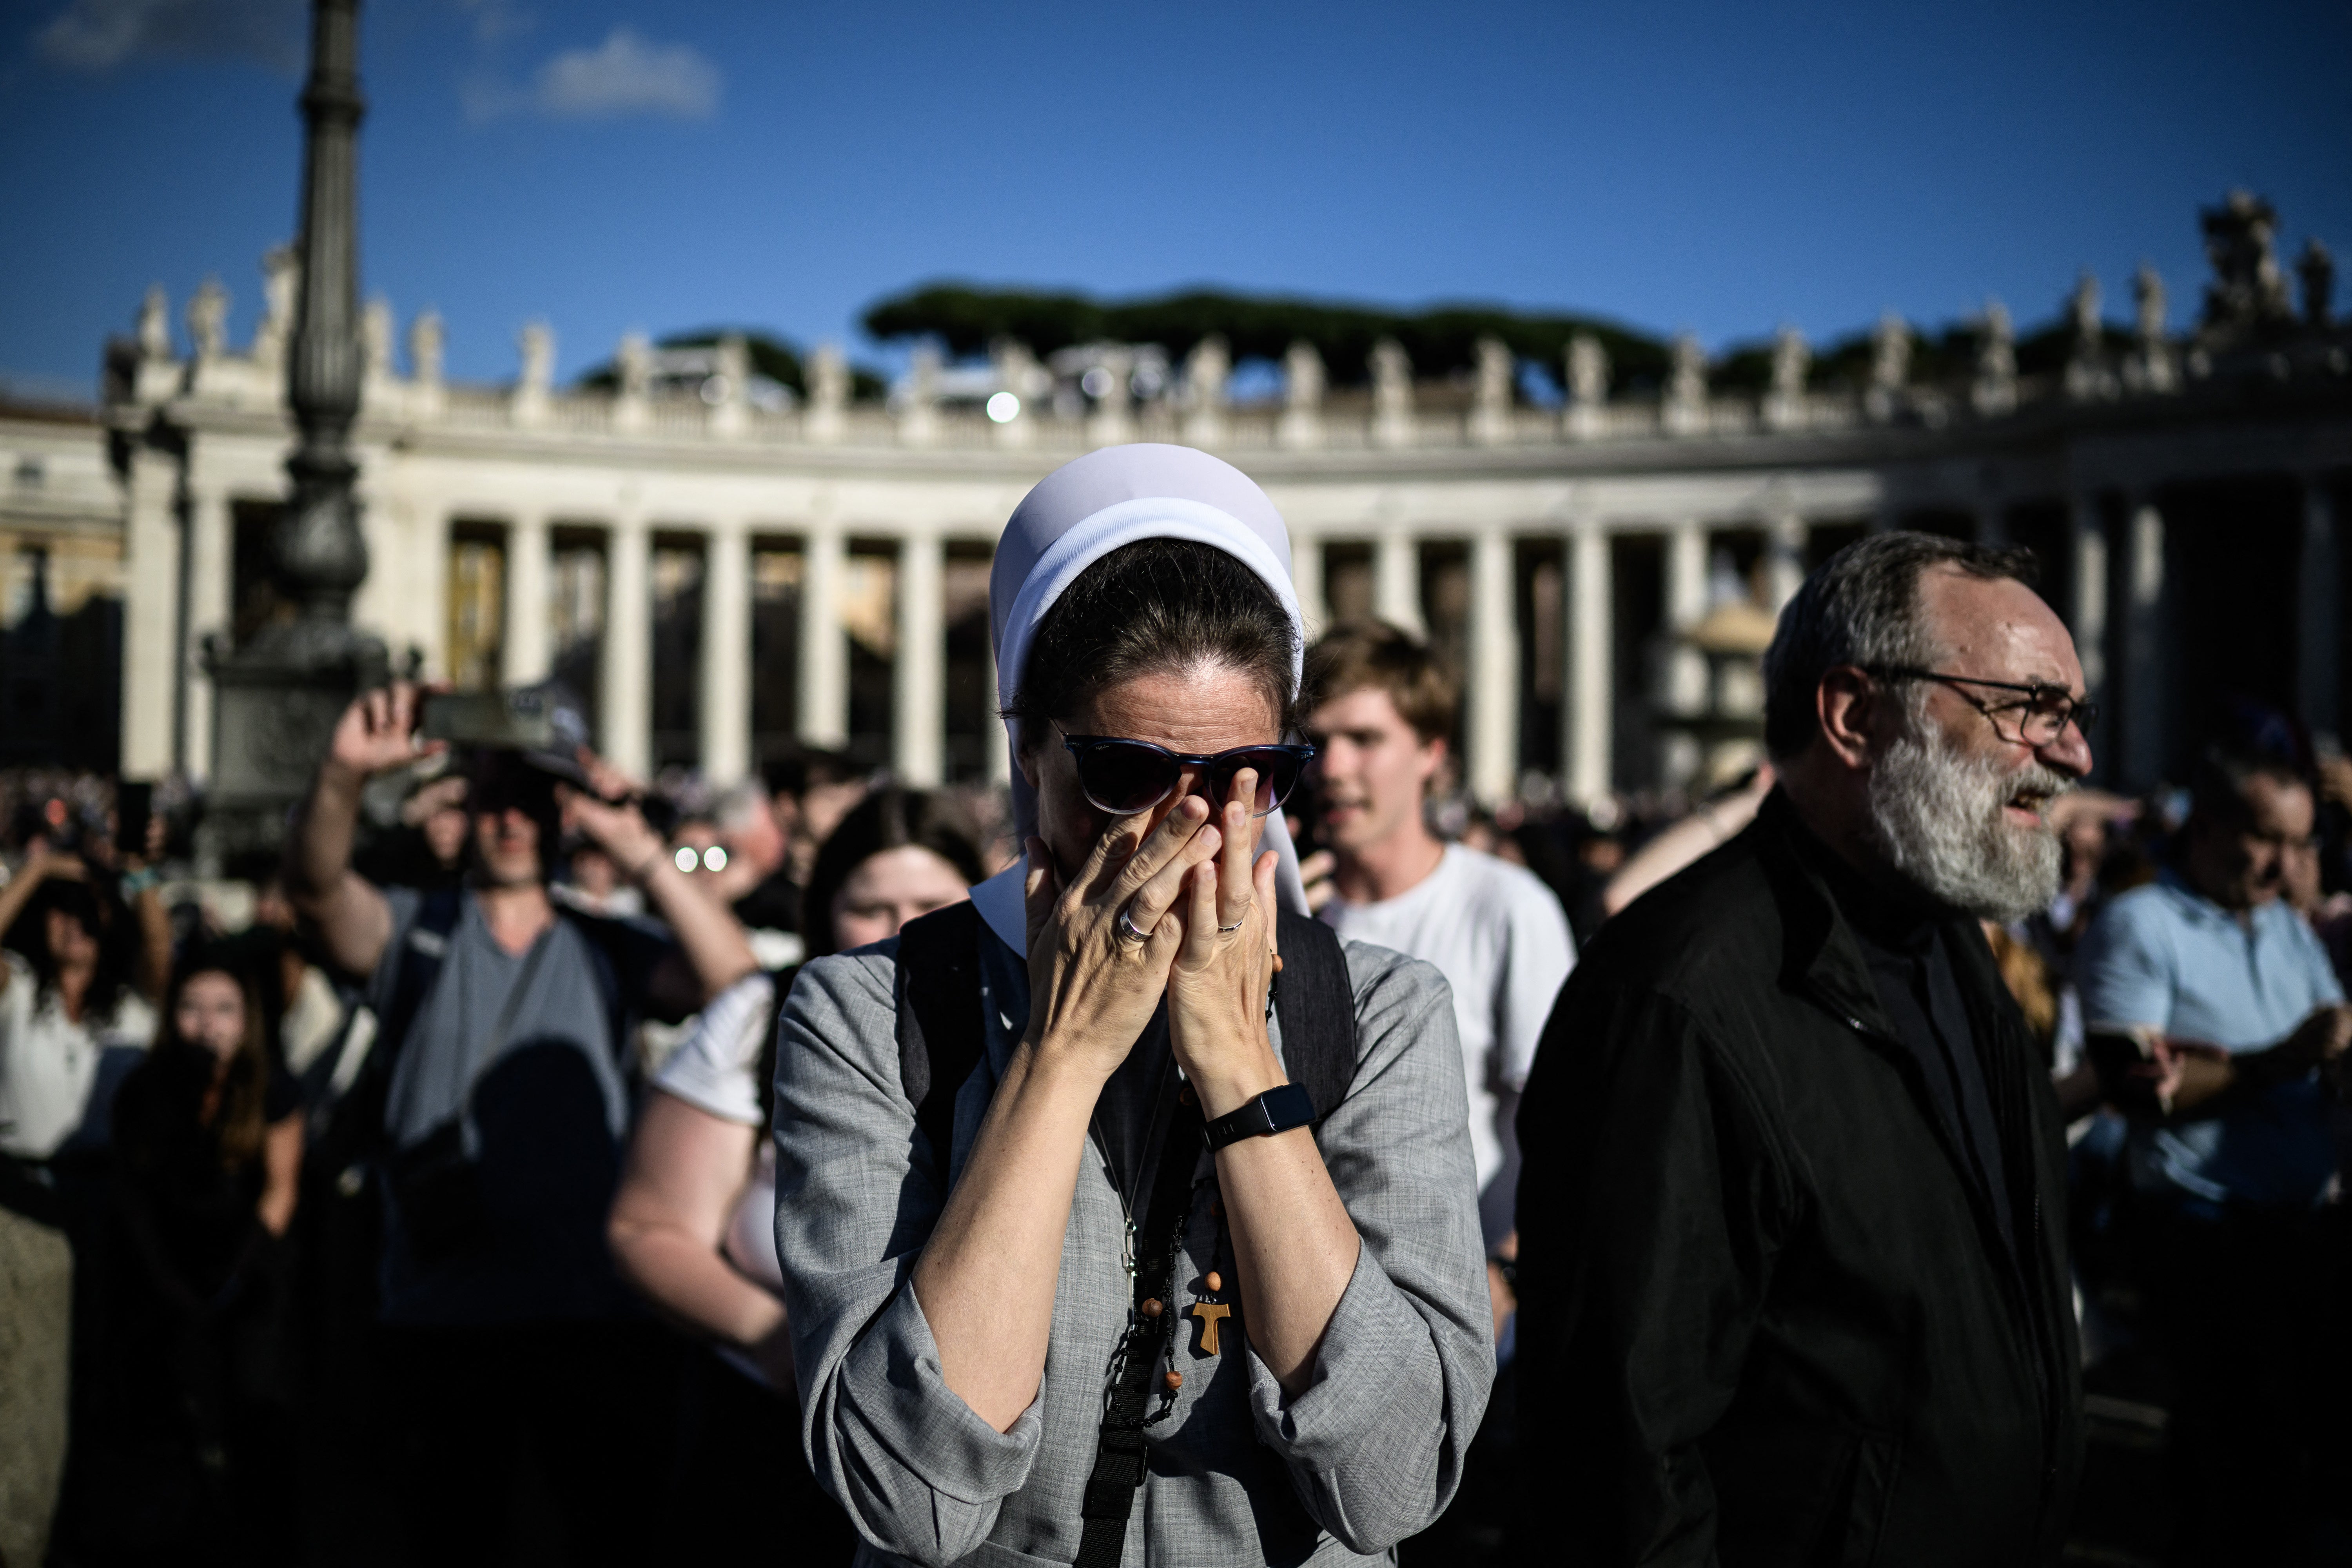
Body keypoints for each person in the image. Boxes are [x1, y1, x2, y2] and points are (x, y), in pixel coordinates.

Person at [771, 444, 1493, 1566]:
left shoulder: (1386, 1012)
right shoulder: (867, 1013)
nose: (1183, 827)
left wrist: (1244, 1068)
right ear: (1025, 750)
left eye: (1244, 777)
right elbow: (907, 1499)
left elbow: (1395, 1484)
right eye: (1126, 771)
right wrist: (1059, 1060)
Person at [1515, 532, 2089, 1563]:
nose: (2074, 754)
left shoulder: (1959, 948)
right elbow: (1622, 1457)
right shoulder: (1674, 997)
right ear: (1856, 715)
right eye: (2025, 708)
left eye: (2071, 715)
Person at [284, 685, 757, 1568]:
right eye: (491, 797)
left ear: (564, 816)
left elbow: (736, 985)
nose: (510, 822)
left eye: (534, 801)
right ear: (463, 812)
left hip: (594, 1314)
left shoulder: (607, 942)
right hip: (439, 1312)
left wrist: (639, 846)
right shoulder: (414, 931)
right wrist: (343, 773)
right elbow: (314, 893)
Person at [609, 786, 984, 1563]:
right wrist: (785, 1343)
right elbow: (649, 1227)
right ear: (825, 910)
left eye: (932, 901)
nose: (901, 928)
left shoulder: (1026, 1030)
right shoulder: (760, 1015)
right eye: (869, 905)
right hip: (767, 1441)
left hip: (969, 1447)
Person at [2076, 749, 2351, 1565]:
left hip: (2305, 1221)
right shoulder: (2140, 922)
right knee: (2241, 1459)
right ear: (2209, 827)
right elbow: (2129, 1086)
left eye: (2300, 841)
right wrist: (2281, 1057)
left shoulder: (2280, 924)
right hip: (2201, 1227)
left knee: (2301, 1454)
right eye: (2266, 837)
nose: (2284, 863)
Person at [1298, 621, 1575, 1267]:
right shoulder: (1285, 911)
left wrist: (1507, 1277)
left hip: (1476, 1307)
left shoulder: (1508, 908)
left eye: (1364, 740)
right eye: (1315, 743)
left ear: (1432, 753)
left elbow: (1567, 1130)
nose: (1333, 769)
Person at [94, 955, 303, 1564]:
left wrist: (238, 1279)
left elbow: (280, 1190)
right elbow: (133, 1199)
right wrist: (169, 1285)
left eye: (224, 1010)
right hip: (161, 1275)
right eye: (190, 1008)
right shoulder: (143, 1090)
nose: (206, 1025)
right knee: (162, 1431)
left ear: (248, 1021)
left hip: (249, 1276)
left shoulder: (272, 1087)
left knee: (257, 1427)